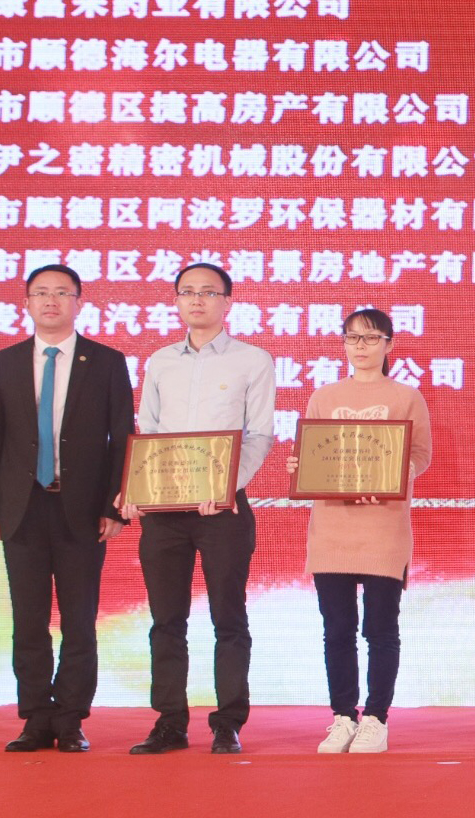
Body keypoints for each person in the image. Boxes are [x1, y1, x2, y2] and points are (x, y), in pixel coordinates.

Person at [0, 263, 132, 753]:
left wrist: (114, 506)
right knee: (29, 621)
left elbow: (123, 438)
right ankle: (35, 718)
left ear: (78, 303)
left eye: (62, 292)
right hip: (21, 509)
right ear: (26, 303)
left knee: (80, 621)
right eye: (40, 292)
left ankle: (70, 719)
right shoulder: (5, 362)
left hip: (81, 509)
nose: (50, 301)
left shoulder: (106, 362)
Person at [126, 262, 276, 755]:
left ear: (227, 302)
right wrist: (139, 486)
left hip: (222, 510)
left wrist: (227, 486)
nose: (197, 300)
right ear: (176, 301)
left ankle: (228, 722)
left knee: (228, 618)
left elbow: (259, 434)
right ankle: (169, 722)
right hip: (164, 510)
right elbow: (147, 432)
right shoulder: (160, 362)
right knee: (166, 621)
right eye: (187, 291)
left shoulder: (252, 360)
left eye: (208, 292)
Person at [286, 309, 433, 755]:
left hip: (383, 528)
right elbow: (314, 452)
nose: (361, 346)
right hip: (331, 528)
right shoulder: (324, 396)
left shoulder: (407, 396)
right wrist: (300, 466)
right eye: (352, 338)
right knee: (337, 630)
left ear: (389, 344)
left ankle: (376, 718)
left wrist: (389, 476)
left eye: (370, 338)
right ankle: (342, 717)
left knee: (380, 629)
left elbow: (420, 455)